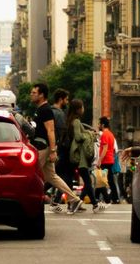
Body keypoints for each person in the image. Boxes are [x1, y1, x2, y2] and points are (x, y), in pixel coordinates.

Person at [29, 83, 82, 214]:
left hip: (44, 148)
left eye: (34, 93)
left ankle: (26, 201)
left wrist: (53, 151)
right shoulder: (41, 109)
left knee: (31, 173)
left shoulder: (46, 110)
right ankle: (74, 199)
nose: (31, 95)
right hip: (44, 147)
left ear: (41, 95)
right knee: (52, 177)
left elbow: (51, 130)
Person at [68, 99, 100, 212]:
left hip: (77, 155)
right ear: (78, 109)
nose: (83, 109)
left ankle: (92, 203)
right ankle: (85, 202)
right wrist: (89, 134)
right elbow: (78, 137)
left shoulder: (72, 120)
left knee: (84, 181)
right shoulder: (76, 121)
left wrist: (87, 132)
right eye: (82, 107)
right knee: (88, 181)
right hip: (80, 156)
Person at [51, 89, 75, 192]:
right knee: (64, 175)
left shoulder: (50, 111)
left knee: (57, 175)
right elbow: (62, 133)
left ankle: (69, 200)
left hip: (53, 148)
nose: (67, 102)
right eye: (66, 99)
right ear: (61, 99)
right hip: (60, 150)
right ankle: (71, 200)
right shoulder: (60, 114)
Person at [97, 116, 120, 204]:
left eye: (99, 124)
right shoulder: (110, 134)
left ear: (102, 125)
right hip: (110, 160)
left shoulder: (104, 135)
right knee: (109, 180)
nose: (98, 125)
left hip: (105, 161)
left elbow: (105, 148)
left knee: (102, 180)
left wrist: (99, 160)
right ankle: (114, 198)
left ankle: (106, 198)